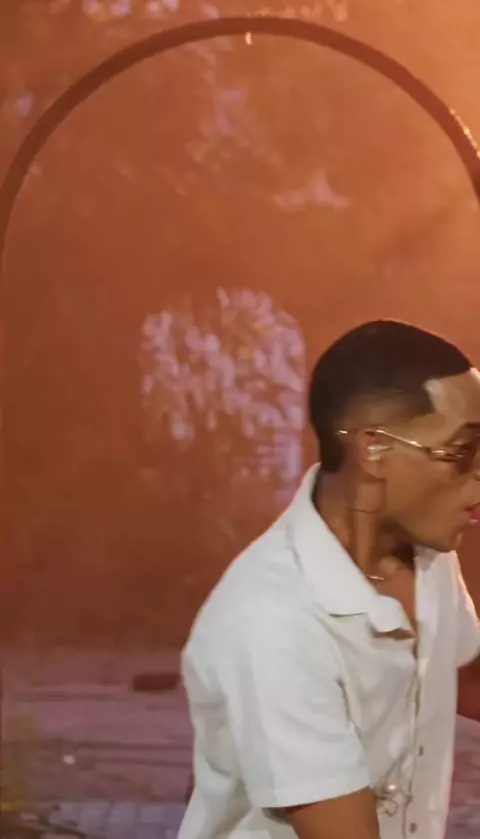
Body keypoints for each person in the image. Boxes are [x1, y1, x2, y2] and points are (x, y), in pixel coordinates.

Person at [178, 320, 480, 839]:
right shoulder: (271, 622)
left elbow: (463, 674)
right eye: (462, 453)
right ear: (373, 451)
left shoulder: (426, 554)